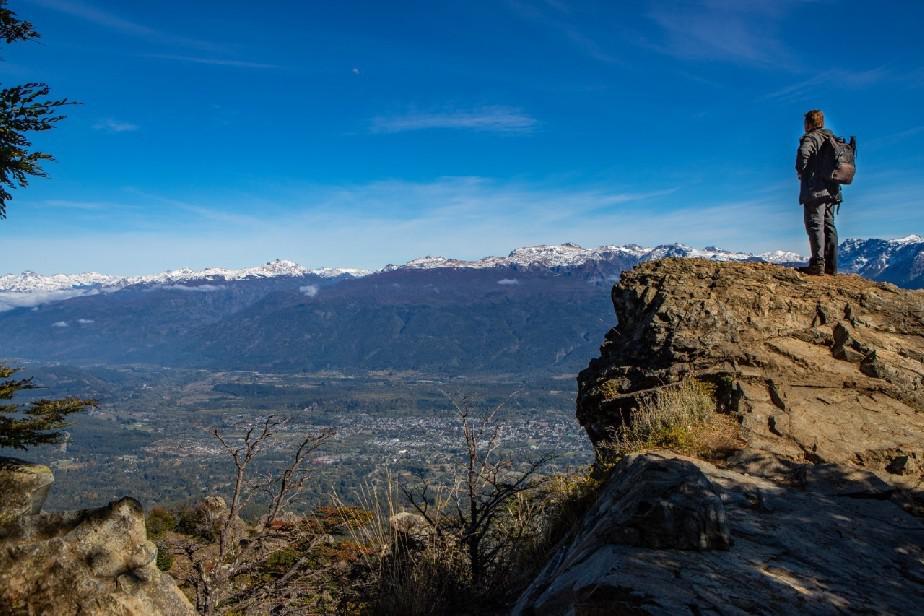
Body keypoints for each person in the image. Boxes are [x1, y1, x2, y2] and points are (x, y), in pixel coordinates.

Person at [796, 109, 842, 275]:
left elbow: (803, 155)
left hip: (815, 189)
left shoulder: (810, 138)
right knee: (829, 225)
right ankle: (831, 266)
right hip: (833, 189)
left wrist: (802, 171)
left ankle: (818, 264)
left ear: (808, 124)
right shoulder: (831, 138)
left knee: (815, 224)